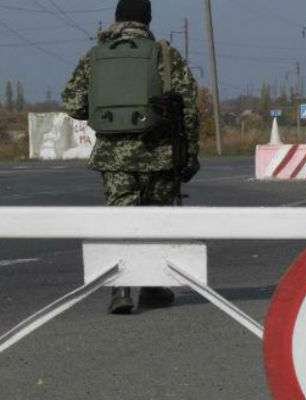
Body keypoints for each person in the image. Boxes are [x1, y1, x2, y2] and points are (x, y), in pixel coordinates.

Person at [62, 0, 200, 315]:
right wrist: (189, 153)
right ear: (148, 20)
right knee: (155, 220)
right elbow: (188, 107)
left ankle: (120, 290)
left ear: (117, 18)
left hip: (114, 156)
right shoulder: (165, 55)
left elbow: (73, 103)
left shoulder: (95, 56)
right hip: (159, 153)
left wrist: (107, 112)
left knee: (120, 220)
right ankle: (151, 286)